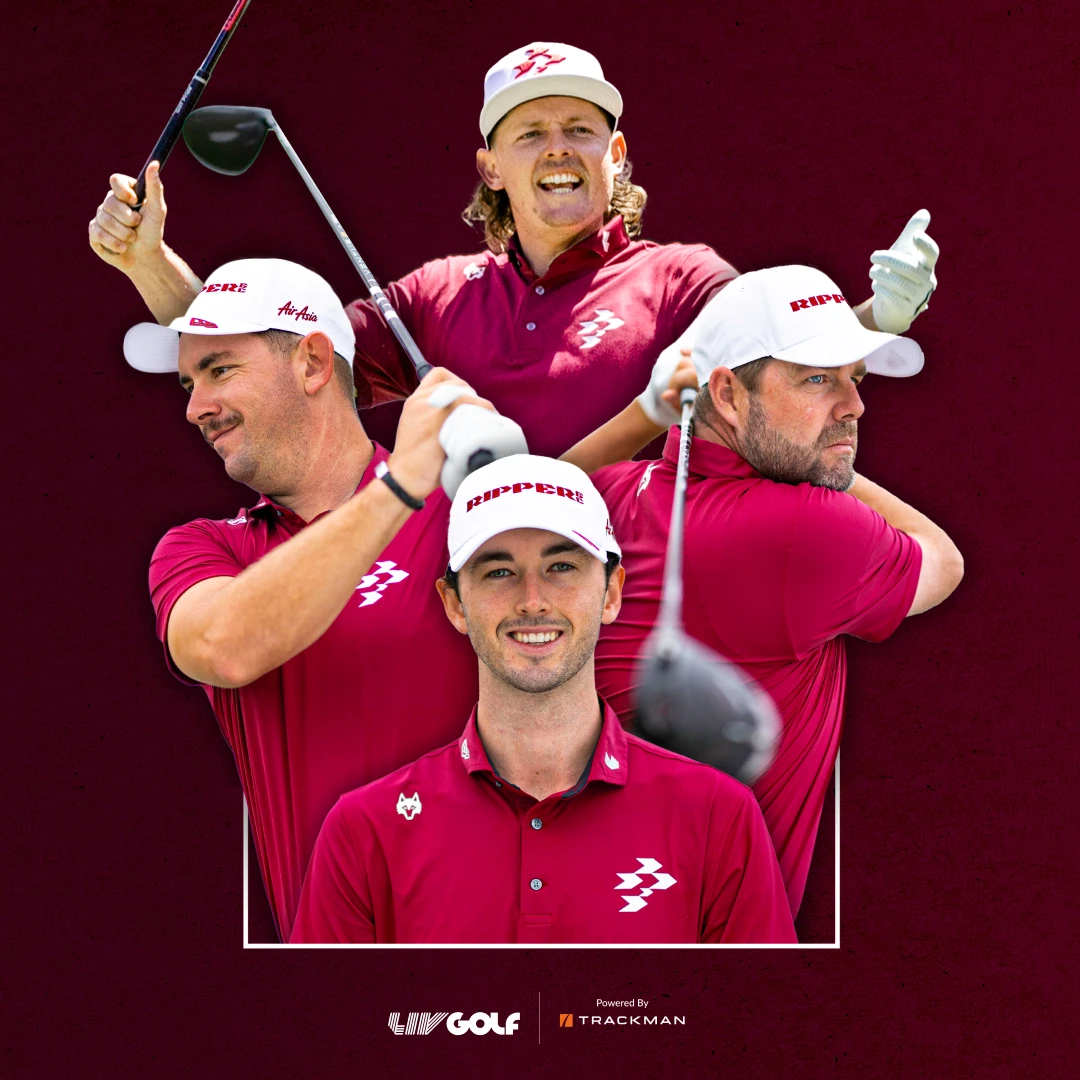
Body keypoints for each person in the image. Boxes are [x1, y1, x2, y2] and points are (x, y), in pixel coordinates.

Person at [132, 255, 693, 943]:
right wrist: (398, 485)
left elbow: (578, 530)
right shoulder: (205, 549)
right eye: (189, 382)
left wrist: (654, 410)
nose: (193, 408)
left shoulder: (464, 511)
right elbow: (222, 646)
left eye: (218, 373)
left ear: (313, 363)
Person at [89, 43, 938, 457]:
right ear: (491, 166)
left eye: (581, 129)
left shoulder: (680, 278)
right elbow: (276, 371)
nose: (559, 147)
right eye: (531, 133)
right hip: (474, 630)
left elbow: (781, 364)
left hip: (632, 630)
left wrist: (875, 316)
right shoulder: (436, 293)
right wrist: (150, 264)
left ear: (619, 155)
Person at [291, 456, 796, 944]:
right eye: (498, 572)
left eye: (561, 566)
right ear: (454, 604)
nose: (532, 600)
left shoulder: (718, 816)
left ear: (611, 593)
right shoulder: (364, 830)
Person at [589, 265, 964, 918]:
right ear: (728, 396)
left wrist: (850, 337)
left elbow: (535, 490)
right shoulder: (806, 531)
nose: (854, 406)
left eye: (855, 376)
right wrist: (832, 468)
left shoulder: (612, 490)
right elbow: (943, 559)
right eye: (819, 379)